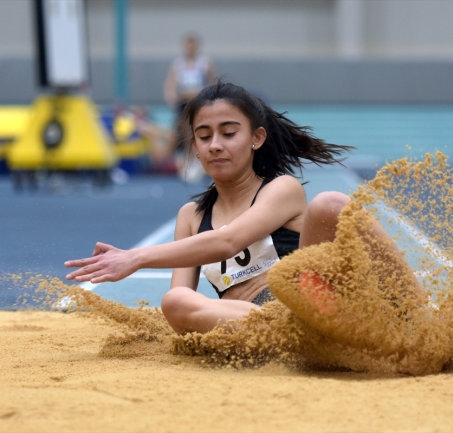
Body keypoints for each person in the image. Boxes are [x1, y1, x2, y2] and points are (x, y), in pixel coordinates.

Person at [64, 82, 416, 335]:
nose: (215, 145)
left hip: (312, 302)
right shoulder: (191, 217)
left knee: (330, 204)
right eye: (204, 137)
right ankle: (289, 339)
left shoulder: (281, 189)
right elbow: (181, 305)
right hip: (252, 323)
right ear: (195, 147)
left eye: (228, 133)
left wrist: (136, 258)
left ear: (256, 139)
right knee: (175, 300)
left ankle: (420, 318)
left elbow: (228, 241)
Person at [164, 34, 217, 178]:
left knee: (198, 130)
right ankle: (191, 159)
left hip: (199, 100)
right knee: (185, 131)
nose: (190, 48)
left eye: (192, 45)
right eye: (187, 45)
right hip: (184, 101)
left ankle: (199, 159)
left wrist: (212, 97)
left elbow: (212, 80)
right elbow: (172, 81)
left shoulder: (204, 62)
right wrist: (171, 94)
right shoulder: (178, 63)